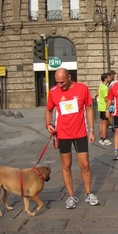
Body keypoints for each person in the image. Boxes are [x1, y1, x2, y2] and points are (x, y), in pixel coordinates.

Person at [45, 68, 100, 209]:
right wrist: (48, 124)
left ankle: (89, 194)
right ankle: (71, 196)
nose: (60, 85)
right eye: (57, 82)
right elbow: (49, 109)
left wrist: (92, 131)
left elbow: (89, 109)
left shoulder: (82, 88)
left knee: (85, 165)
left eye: (62, 82)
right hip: (62, 134)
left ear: (69, 77)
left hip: (80, 133)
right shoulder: (53, 91)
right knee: (66, 165)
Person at [97, 73, 112, 146]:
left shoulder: (101, 86)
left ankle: (101, 138)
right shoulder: (105, 87)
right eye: (109, 78)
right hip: (104, 107)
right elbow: (106, 98)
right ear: (105, 79)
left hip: (101, 106)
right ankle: (104, 138)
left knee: (102, 122)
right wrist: (112, 102)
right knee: (104, 123)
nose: (110, 79)